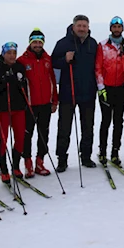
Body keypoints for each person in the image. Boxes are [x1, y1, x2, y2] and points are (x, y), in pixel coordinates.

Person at [51, 15, 99, 171]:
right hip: (68, 91)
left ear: (88, 27)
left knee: (88, 127)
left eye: (84, 26)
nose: (82, 28)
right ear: (73, 26)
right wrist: (64, 59)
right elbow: (53, 63)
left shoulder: (93, 44)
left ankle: (86, 157)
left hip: (88, 92)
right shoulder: (63, 43)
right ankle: (62, 159)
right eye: (79, 25)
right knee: (64, 127)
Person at [17, 29, 58, 177]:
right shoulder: (22, 60)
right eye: (34, 42)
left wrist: (54, 100)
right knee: (27, 134)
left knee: (43, 133)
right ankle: (27, 163)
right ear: (30, 43)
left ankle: (40, 162)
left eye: (40, 42)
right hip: (29, 104)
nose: (37, 45)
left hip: (45, 103)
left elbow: (52, 80)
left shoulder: (48, 59)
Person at [95, 16, 124, 166]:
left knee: (119, 122)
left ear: (122, 29)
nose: (117, 29)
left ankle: (115, 152)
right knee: (106, 121)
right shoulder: (102, 45)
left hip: (120, 88)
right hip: (106, 89)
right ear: (110, 28)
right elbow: (97, 68)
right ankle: (102, 151)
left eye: (119, 27)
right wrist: (101, 87)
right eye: (114, 27)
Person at [0, 42, 29, 181]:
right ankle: (3, 169)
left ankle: (16, 166)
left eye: (14, 53)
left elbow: (24, 85)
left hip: (19, 108)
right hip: (3, 109)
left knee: (20, 138)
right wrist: (3, 84)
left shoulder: (19, 67)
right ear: (3, 54)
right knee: (3, 139)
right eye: (9, 53)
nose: (12, 56)